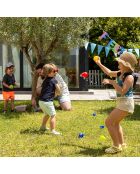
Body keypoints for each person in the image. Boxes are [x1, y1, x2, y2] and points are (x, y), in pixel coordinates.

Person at [94, 52, 138, 154]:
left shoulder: (129, 77)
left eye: (120, 62)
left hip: (126, 103)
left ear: (126, 65)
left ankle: (116, 146)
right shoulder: (120, 73)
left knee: (108, 122)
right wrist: (99, 63)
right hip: (122, 103)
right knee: (116, 123)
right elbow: (109, 72)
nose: (118, 63)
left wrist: (112, 82)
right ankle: (122, 144)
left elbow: (123, 91)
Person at [39, 64, 61, 135]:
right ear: (49, 73)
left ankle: (43, 126)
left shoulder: (45, 80)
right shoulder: (53, 80)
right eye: (54, 71)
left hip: (41, 101)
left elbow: (43, 89)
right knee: (53, 115)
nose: (55, 72)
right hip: (47, 101)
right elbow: (58, 89)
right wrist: (58, 92)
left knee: (47, 114)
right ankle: (53, 130)